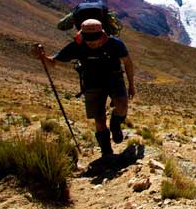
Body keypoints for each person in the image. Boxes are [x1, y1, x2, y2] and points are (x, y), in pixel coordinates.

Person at [34, 19, 135, 158]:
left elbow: (128, 63)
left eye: (95, 38)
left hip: (114, 79)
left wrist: (131, 85)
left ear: (103, 34)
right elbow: (54, 62)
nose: (92, 42)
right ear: (82, 35)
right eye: (88, 39)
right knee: (99, 119)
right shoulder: (77, 46)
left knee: (122, 106)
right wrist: (43, 57)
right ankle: (107, 152)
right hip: (92, 83)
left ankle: (115, 123)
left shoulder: (115, 44)